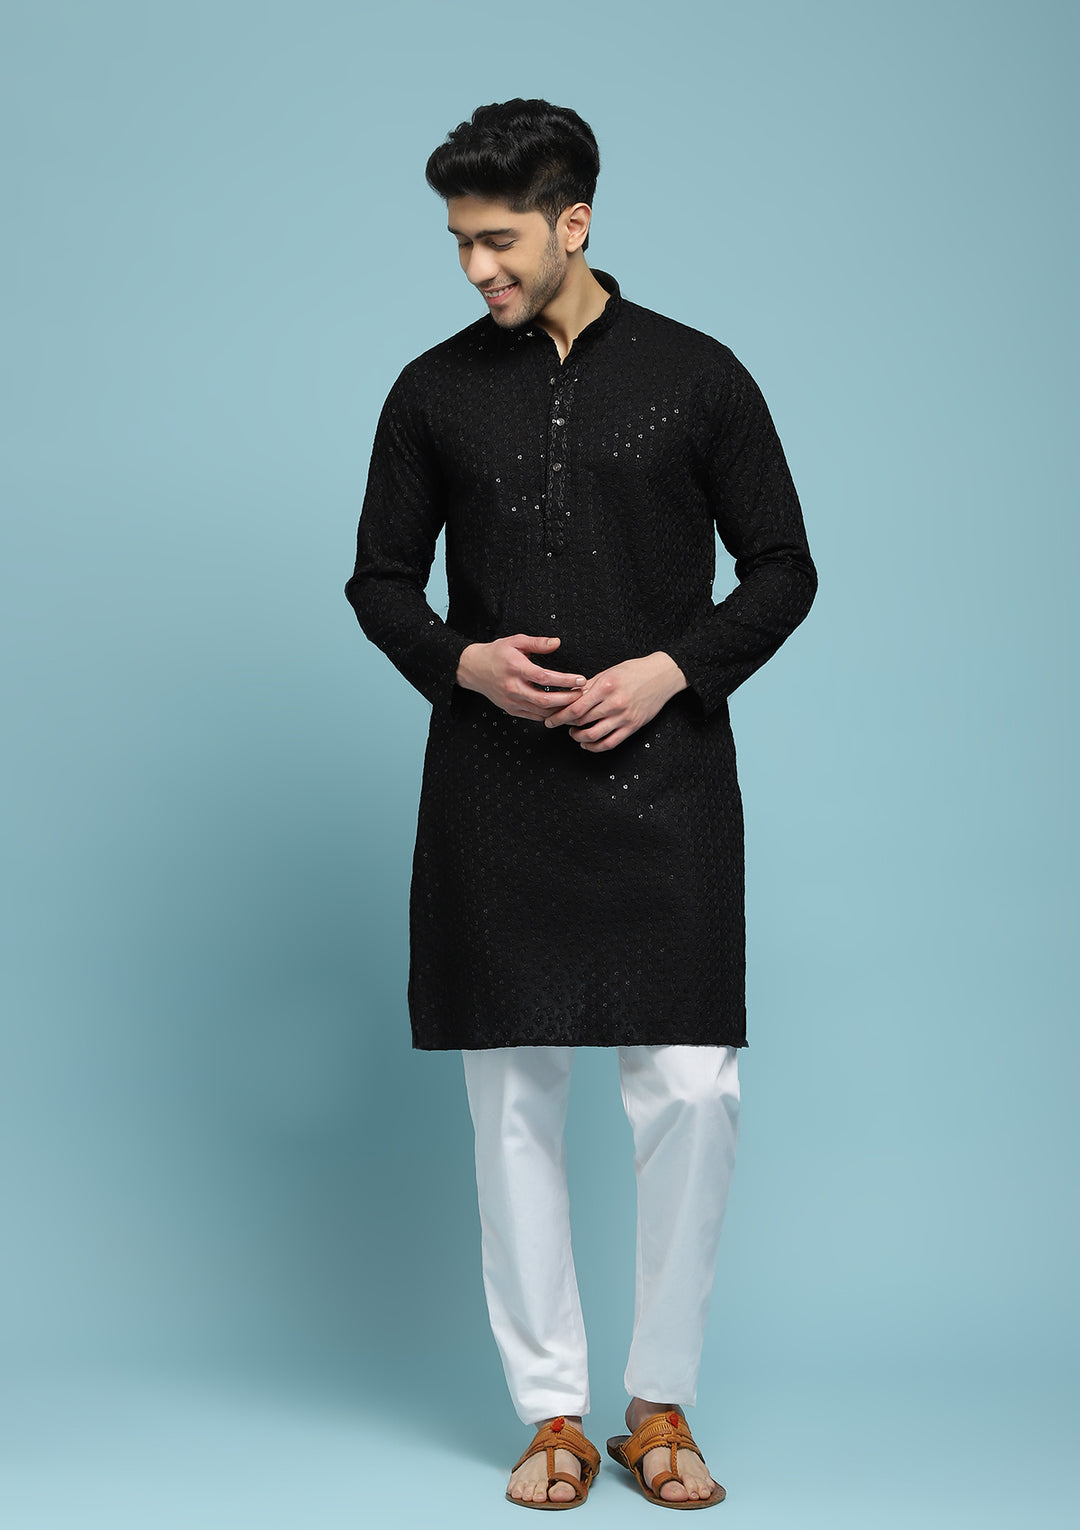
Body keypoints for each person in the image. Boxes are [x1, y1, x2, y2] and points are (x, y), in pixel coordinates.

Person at [345, 98, 817, 1510]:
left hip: (666, 783)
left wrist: (674, 669)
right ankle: (551, 1411)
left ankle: (657, 1398)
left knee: (694, 1088)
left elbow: (784, 567)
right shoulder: (432, 390)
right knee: (512, 1105)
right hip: (496, 788)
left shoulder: (699, 376)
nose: (475, 267)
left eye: (498, 239)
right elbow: (380, 580)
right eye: (458, 242)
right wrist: (463, 663)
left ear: (575, 220)